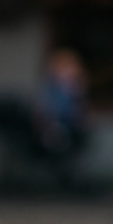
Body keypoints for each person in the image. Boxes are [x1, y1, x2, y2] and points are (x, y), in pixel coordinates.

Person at [33, 48, 88, 185]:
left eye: (71, 66)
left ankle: (68, 177)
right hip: (52, 128)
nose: (68, 71)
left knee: (71, 150)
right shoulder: (50, 88)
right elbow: (45, 110)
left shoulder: (74, 89)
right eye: (63, 66)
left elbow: (78, 113)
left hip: (70, 129)